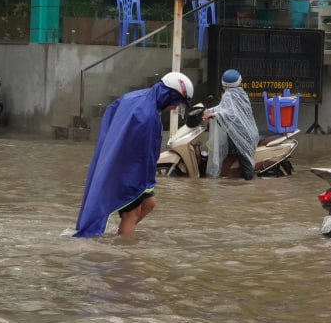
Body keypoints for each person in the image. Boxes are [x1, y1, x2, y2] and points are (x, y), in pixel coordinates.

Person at [75, 72, 194, 238]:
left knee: (149, 203)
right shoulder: (148, 116)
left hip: (115, 162)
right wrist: (141, 181)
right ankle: (126, 255)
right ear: (169, 95)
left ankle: (119, 235)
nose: (175, 108)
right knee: (132, 213)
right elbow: (145, 154)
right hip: (128, 172)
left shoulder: (134, 98)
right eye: (177, 102)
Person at [202, 69, 259, 180]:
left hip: (243, 136)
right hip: (246, 133)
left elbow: (230, 113)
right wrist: (207, 111)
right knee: (229, 154)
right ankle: (228, 177)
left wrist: (214, 114)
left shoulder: (229, 95)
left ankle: (251, 186)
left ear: (223, 83)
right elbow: (224, 108)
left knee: (247, 172)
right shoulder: (241, 93)